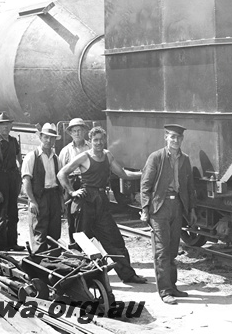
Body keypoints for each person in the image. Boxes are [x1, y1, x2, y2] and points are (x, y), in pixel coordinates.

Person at [57, 126, 147, 284]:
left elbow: (123, 174)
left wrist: (144, 174)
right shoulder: (84, 157)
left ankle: (128, 275)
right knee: (82, 243)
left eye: (101, 140)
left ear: (105, 141)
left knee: (115, 240)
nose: (98, 143)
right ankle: (77, 279)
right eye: (95, 140)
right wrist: (72, 192)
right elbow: (61, 173)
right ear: (90, 141)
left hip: (101, 203)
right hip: (85, 203)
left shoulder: (107, 156)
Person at [140, 124, 197, 305]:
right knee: (162, 250)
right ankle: (165, 291)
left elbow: (189, 187)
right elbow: (145, 185)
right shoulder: (156, 157)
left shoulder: (185, 159)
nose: (175, 140)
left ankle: (172, 286)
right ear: (166, 138)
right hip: (160, 207)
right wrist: (145, 209)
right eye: (172, 137)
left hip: (177, 206)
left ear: (182, 140)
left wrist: (192, 209)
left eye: (178, 138)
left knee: (172, 249)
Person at [0, 111, 24, 252]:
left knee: (13, 213)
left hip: (12, 181)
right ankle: (0, 246)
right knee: (0, 214)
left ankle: (12, 243)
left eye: (7, 125)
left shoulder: (14, 141)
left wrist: (20, 176)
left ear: (11, 126)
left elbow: (19, 158)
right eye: (2, 125)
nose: (5, 128)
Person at [22, 123, 62, 253]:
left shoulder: (56, 158)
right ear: (41, 138)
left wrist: (61, 200)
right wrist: (32, 200)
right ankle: (39, 262)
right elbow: (26, 180)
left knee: (54, 230)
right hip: (39, 197)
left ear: (55, 140)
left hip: (54, 196)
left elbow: (59, 180)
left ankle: (53, 261)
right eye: (46, 137)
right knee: (39, 228)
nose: (48, 141)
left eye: (51, 138)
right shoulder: (32, 157)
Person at [58, 118, 89, 243]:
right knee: (72, 216)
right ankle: (73, 244)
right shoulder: (65, 151)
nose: (77, 133)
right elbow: (60, 173)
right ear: (70, 133)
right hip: (71, 183)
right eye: (74, 131)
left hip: (87, 182)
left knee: (87, 216)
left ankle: (88, 246)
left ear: (85, 132)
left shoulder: (90, 147)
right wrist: (65, 192)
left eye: (80, 130)